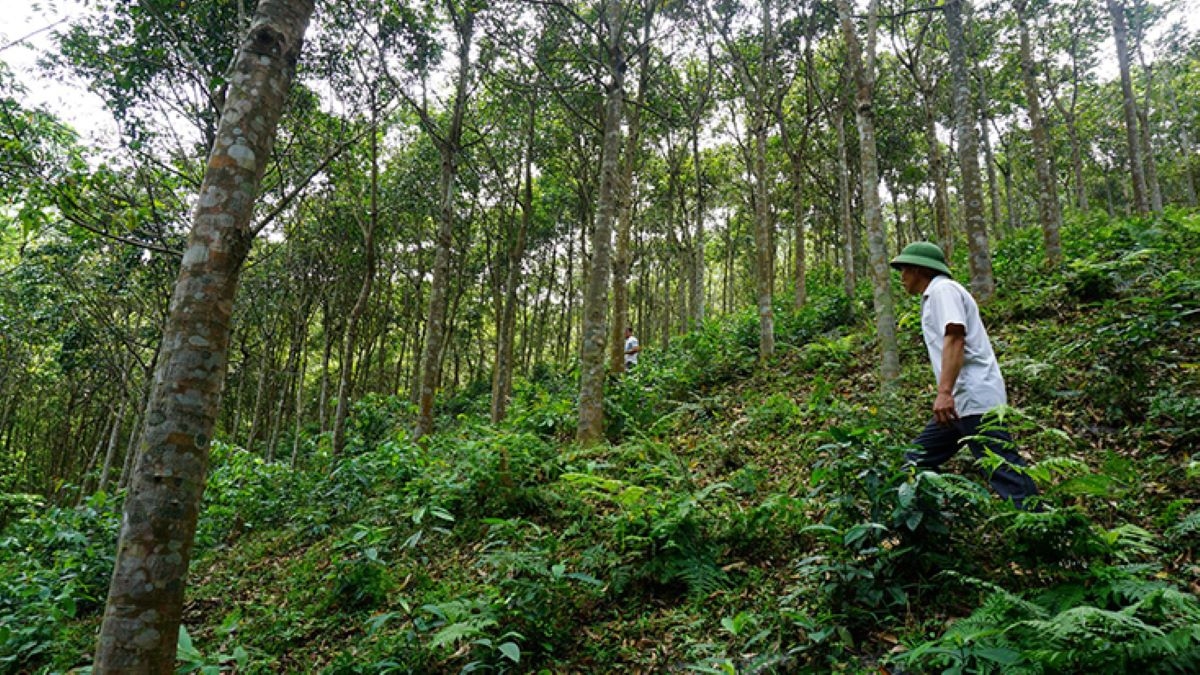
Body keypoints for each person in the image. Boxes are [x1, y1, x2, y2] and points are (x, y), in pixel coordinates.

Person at [890, 241, 1039, 510]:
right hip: (960, 403)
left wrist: (944, 392)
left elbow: (955, 335)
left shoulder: (942, 290)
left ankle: (1041, 529)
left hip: (973, 398)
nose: (902, 278)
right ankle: (919, 530)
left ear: (918, 269)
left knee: (1003, 469)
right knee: (915, 461)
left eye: (904, 270)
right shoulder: (935, 295)